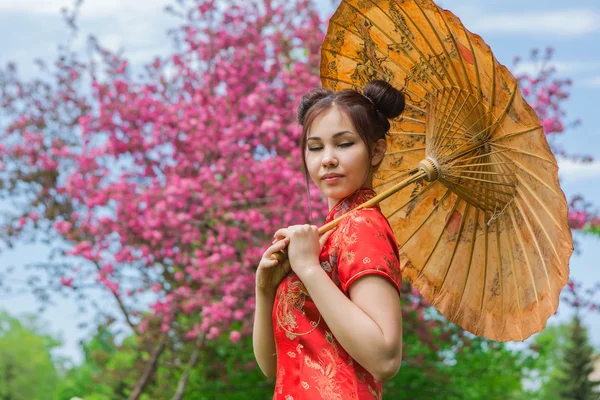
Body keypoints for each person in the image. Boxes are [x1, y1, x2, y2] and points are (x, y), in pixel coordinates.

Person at [253, 80, 405, 399]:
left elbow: (385, 358)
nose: (328, 159)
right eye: (316, 147)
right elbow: (273, 366)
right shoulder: (326, 235)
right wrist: (265, 289)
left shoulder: (362, 226)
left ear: (376, 151)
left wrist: (309, 268)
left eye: (344, 144)